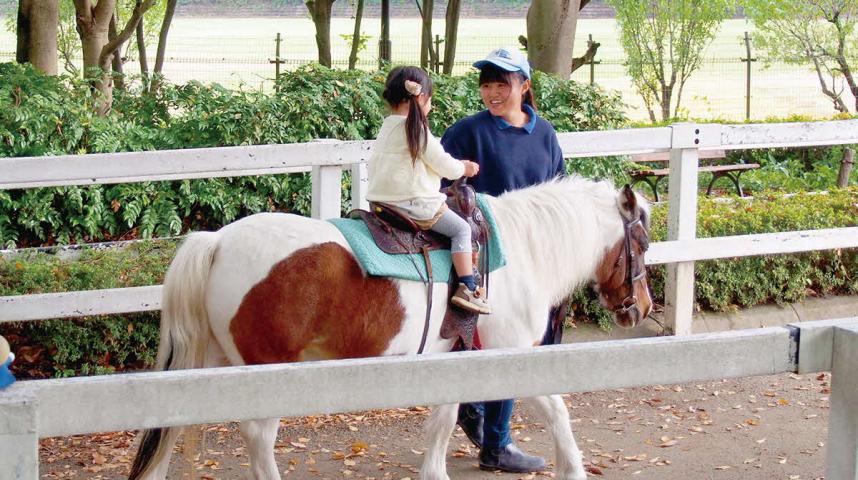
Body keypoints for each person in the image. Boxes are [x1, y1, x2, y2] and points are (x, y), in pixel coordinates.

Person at [440, 47, 566, 473]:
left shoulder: (545, 135)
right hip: (482, 258)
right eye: (487, 84)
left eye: (502, 84)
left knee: (513, 346)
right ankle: (492, 437)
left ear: (524, 86)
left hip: (531, 262)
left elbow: (557, 195)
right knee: (494, 344)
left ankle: (488, 430)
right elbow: (440, 190)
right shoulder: (465, 133)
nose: (492, 92)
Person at [366, 66, 491, 315]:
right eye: (430, 100)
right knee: (461, 229)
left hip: (382, 203)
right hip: (414, 204)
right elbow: (444, 165)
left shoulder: (387, 128)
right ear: (421, 98)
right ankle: (467, 286)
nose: (430, 106)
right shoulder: (416, 131)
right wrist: (464, 167)